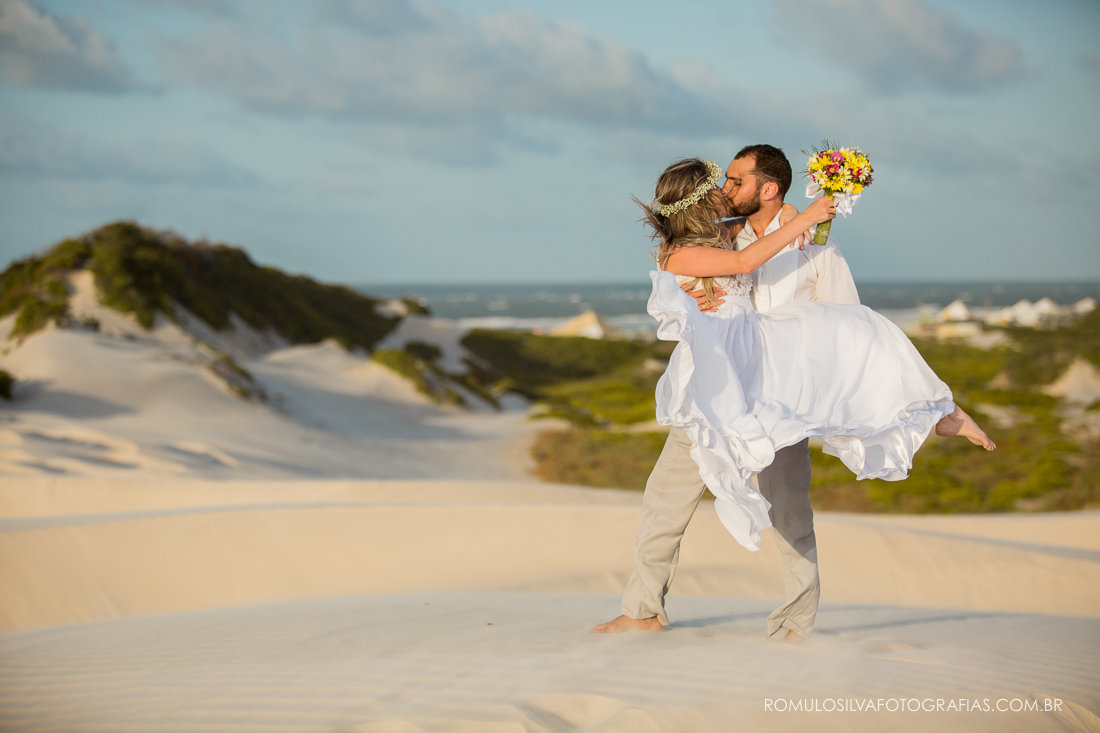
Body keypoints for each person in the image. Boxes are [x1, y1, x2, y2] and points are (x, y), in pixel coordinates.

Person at [594, 154, 993, 640]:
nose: (727, 187)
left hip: (784, 393)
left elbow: (842, 320)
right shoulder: (724, 236)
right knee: (667, 498)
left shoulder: (816, 247)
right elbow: (727, 265)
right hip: (717, 390)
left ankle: (796, 623)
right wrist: (795, 220)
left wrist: (797, 220)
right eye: (721, 183)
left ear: (767, 189)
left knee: (790, 513)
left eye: (736, 179)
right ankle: (642, 610)